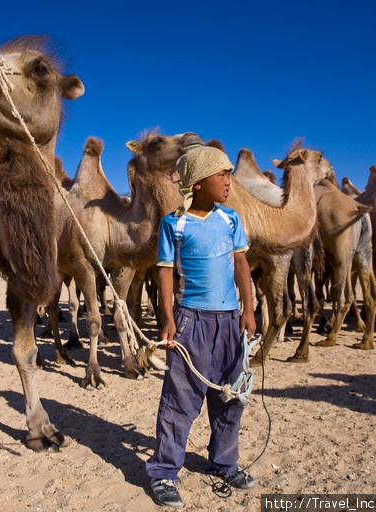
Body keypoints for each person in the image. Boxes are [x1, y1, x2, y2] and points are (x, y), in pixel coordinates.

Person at [145, 146, 257, 509]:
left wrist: (248, 309)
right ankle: (163, 472)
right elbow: (164, 270)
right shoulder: (173, 223)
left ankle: (224, 462)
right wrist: (168, 317)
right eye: (221, 174)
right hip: (191, 319)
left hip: (229, 319)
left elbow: (241, 264)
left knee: (230, 396)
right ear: (198, 181)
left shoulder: (231, 219)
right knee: (180, 399)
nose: (228, 181)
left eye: (228, 174)